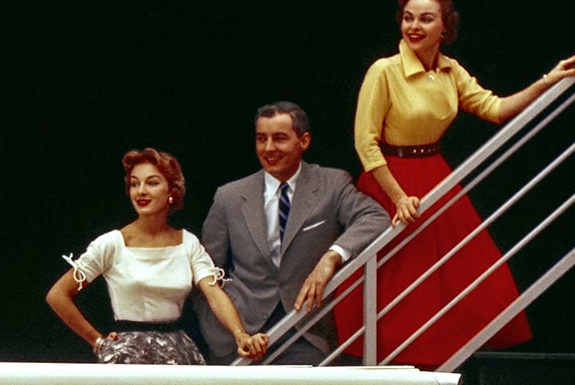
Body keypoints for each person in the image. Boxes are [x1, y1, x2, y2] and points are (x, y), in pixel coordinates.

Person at [340, 0, 575, 365]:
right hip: (391, 180)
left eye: (425, 19)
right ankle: (392, 369)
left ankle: (437, 367)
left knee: (463, 278)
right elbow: (365, 142)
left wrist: (548, 80)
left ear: (445, 28)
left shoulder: (450, 70)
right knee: (398, 282)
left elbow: (496, 108)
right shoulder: (384, 71)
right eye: (408, 18)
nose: (414, 27)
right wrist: (397, 196)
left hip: (434, 175)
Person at [195, 102, 387, 364]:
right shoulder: (229, 196)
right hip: (241, 336)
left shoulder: (332, 183)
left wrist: (332, 256)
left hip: (307, 331)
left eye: (280, 138)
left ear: (304, 141)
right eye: (262, 139)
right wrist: (221, 334)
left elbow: (375, 217)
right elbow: (205, 272)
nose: (269, 148)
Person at [48, 148, 267, 364]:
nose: (141, 191)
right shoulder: (112, 243)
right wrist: (97, 341)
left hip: (178, 354)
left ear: (172, 191)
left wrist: (240, 334)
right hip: (126, 356)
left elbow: (213, 293)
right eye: (135, 183)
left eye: (152, 183)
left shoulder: (187, 243)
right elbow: (57, 295)